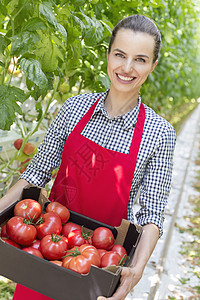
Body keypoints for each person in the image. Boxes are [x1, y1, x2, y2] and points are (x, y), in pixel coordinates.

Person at [0, 14, 176, 300]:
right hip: (47, 250)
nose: (127, 68)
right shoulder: (74, 109)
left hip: (100, 267)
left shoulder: (159, 134)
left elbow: (152, 215)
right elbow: (34, 176)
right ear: (107, 55)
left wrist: (138, 268)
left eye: (140, 59)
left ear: (153, 65)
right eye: (120, 55)